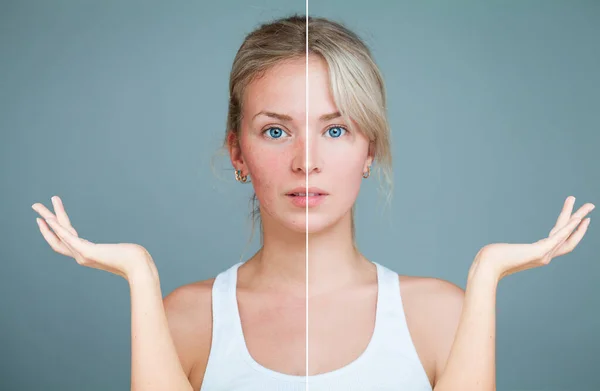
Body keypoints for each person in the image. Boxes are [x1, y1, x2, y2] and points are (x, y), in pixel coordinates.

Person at [31, 15, 594, 391]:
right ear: (237, 151)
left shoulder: (441, 315)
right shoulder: (184, 319)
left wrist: (488, 271)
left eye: (336, 129)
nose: (307, 161)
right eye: (276, 132)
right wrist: (138, 272)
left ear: (369, 148)